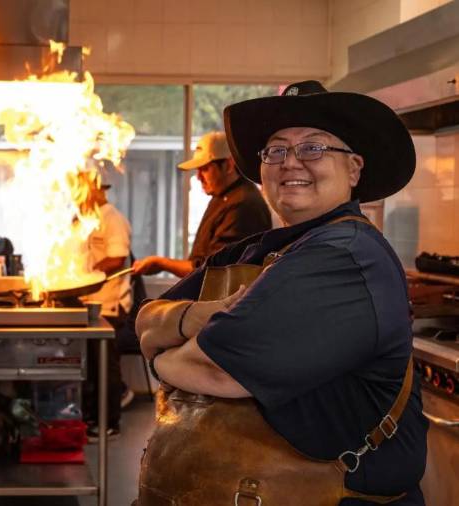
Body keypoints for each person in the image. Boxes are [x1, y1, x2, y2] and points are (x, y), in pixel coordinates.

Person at [136, 81, 427, 503]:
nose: (290, 162)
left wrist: (160, 353)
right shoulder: (267, 247)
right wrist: (188, 319)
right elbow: (146, 315)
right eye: (276, 150)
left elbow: (213, 369)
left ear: (354, 169)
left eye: (313, 148)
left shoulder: (345, 255)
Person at [132, 131, 271, 278]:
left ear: (228, 165)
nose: (198, 177)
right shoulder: (223, 195)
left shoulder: (242, 205)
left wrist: (161, 263)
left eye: (204, 169)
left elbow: (212, 270)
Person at [79, 179, 132, 441]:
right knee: (91, 365)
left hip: (109, 303)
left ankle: (109, 422)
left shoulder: (112, 218)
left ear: (98, 188)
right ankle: (91, 416)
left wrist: (86, 274)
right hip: (90, 302)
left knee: (105, 366)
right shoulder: (84, 218)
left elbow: (117, 258)